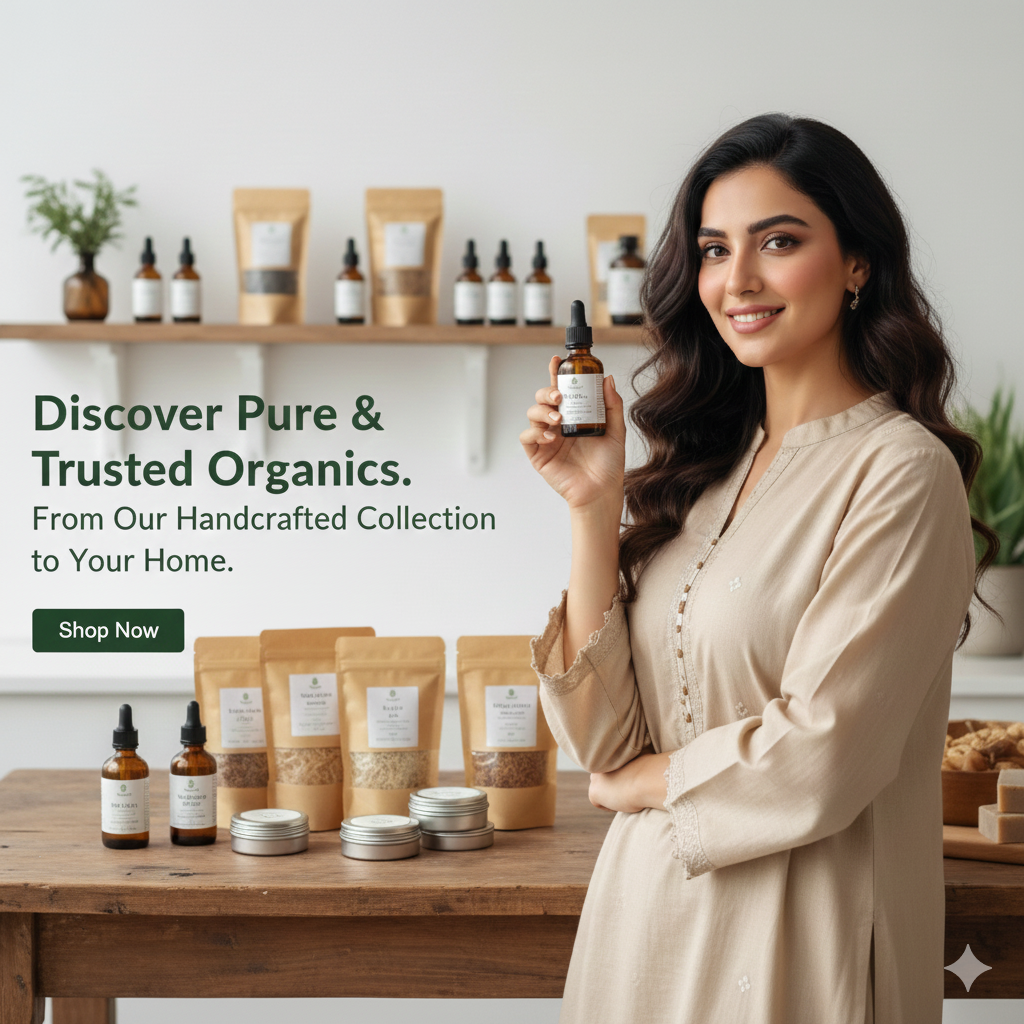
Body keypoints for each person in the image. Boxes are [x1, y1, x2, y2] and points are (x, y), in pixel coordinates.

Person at [521, 113, 995, 1024]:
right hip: (643, 927)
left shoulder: (899, 473)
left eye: (778, 242)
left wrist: (645, 786)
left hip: (797, 940)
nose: (736, 280)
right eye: (712, 249)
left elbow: (827, 754)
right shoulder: (705, 472)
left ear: (858, 263)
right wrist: (592, 507)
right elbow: (602, 742)